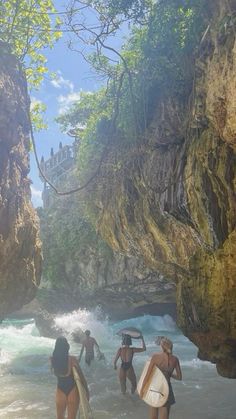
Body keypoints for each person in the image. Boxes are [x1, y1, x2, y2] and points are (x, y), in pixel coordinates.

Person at [139, 336, 182, 419]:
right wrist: (170, 374)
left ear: (162, 347)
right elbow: (179, 377)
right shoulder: (175, 359)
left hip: (155, 388)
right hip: (166, 389)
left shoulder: (155, 357)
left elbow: (148, 375)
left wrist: (142, 389)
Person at [51, 336, 89, 419]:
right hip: (73, 390)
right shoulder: (72, 359)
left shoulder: (52, 359)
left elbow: (52, 371)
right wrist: (86, 391)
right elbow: (82, 377)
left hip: (60, 390)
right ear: (66, 346)